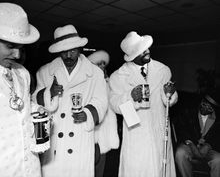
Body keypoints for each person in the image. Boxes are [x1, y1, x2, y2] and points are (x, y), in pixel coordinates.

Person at [32, 25, 108, 177]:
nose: (68, 55)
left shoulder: (95, 73)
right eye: (64, 51)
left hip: (80, 137)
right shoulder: (45, 71)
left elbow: (101, 101)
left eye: (72, 50)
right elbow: (34, 102)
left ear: (79, 49)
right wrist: (49, 93)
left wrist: (87, 114)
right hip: (55, 140)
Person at [0, 1, 42, 177]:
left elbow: (24, 107)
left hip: (30, 169)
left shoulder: (22, 72)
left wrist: (38, 110)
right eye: (10, 46)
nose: (17, 55)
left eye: (20, 48)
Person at [109, 31, 178, 177]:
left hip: (158, 129)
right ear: (132, 56)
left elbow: (169, 101)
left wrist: (170, 94)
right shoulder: (118, 76)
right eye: (141, 50)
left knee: (160, 168)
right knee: (138, 170)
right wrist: (131, 97)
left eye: (146, 47)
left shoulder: (163, 70)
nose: (147, 51)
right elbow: (114, 104)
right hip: (136, 132)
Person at [87, 50, 120, 177]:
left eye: (103, 65)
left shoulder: (108, 83)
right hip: (91, 137)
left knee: (101, 171)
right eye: (98, 64)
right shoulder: (87, 84)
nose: (101, 67)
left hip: (105, 137)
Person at [175, 91, 220, 177]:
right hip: (189, 144)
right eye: (204, 103)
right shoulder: (188, 111)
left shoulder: (218, 120)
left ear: (214, 109)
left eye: (209, 107)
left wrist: (209, 145)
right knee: (180, 153)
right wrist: (191, 144)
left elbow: (217, 137)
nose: (204, 107)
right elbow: (181, 129)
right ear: (201, 100)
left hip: (208, 149)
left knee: (218, 160)